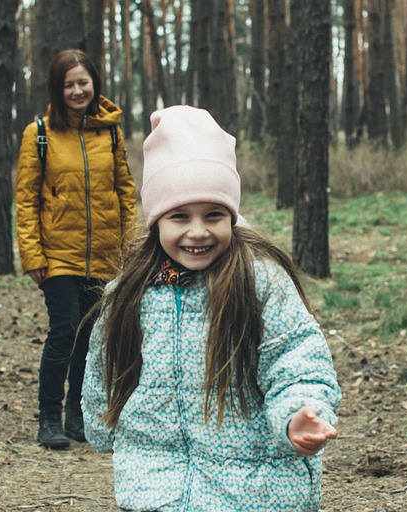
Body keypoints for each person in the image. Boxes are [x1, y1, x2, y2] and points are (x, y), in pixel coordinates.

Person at [82, 105, 341, 511]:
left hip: (252, 489)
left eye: (214, 215)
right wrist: (101, 424)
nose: (198, 231)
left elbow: (296, 358)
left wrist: (298, 413)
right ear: (155, 221)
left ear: (232, 216)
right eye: (179, 216)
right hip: (155, 483)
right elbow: (106, 363)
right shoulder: (130, 294)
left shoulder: (258, 282)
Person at [16, 49, 136, 450]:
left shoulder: (111, 132)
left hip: (105, 254)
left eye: (83, 81)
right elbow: (26, 199)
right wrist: (33, 256)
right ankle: (48, 417)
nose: (77, 90)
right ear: (57, 88)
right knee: (64, 331)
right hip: (58, 255)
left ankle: (76, 413)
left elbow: (125, 192)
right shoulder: (40, 134)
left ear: (94, 83)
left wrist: (130, 246)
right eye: (68, 83)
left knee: (88, 335)